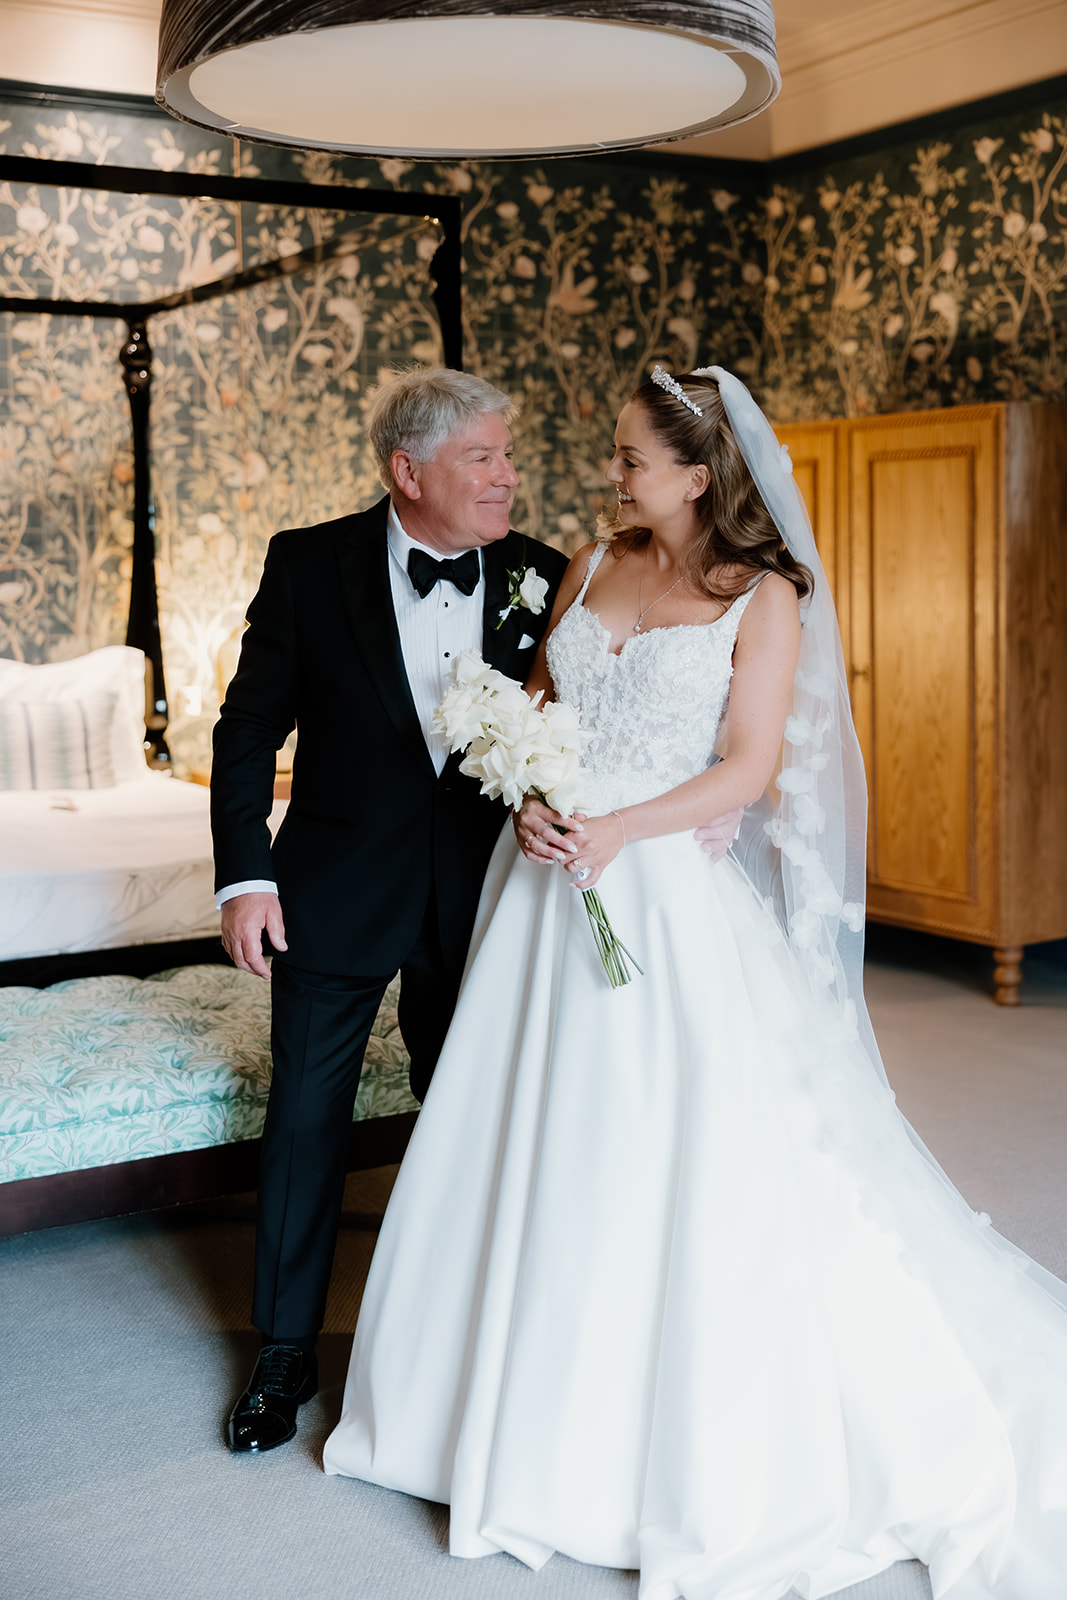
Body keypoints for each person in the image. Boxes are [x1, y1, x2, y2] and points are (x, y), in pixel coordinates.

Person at [323, 367, 1067, 1597]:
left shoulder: (760, 597)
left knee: (658, 1149)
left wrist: (625, 829)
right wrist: (541, 801)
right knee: (522, 1141)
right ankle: (484, 1402)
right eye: (614, 457)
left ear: (699, 471)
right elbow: (546, 708)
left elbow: (748, 767)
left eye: (629, 458)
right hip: (546, 890)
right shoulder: (586, 566)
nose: (609, 475)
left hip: (662, 894)